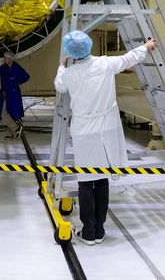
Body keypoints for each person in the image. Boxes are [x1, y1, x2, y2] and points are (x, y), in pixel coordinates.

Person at [54, 30, 157, 246]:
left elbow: (59, 85)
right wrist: (146, 46)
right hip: (107, 128)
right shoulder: (105, 64)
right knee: (101, 179)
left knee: (85, 180)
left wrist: (63, 65)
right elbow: (129, 57)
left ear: (70, 51)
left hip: (84, 130)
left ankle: (88, 232)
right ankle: (99, 230)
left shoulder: (70, 73)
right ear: (89, 46)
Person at [0, 52, 30, 139]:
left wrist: (17, 82)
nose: (4, 59)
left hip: (13, 94)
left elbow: (26, 76)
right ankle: (14, 131)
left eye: (5, 58)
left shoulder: (17, 68)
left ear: (10, 59)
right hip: (5, 93)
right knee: (5, 113)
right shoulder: (4, 68)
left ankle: (15, 130)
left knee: (8, 113)